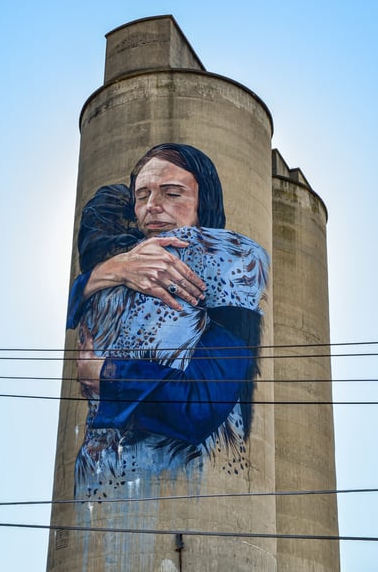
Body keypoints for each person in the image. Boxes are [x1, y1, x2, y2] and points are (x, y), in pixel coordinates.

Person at [69, 143, 269, 498]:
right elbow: (76, 306)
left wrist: (105, 374)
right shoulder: (128, 257)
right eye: (142, 195)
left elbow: (197, 408)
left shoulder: (231, 262)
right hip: (97, 486)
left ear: (202, 202)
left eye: (172, 193)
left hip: (184, 482)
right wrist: (107, 271)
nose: (152, 207)